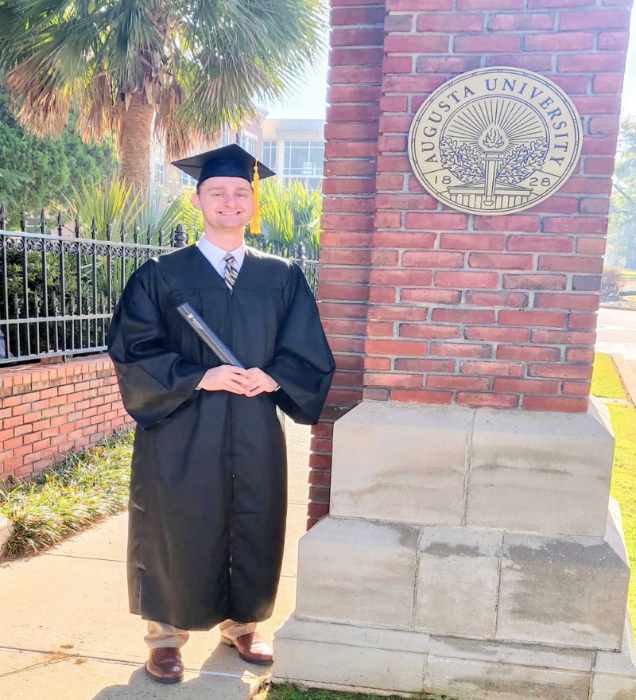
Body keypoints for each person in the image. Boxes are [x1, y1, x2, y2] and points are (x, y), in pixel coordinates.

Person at [106, 144, 335, 684]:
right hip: (183, 426)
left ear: (253, 203)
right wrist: (197, 376)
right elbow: (132, 347)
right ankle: (164, 637)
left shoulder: (282, 276)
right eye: (218, 193)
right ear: (199, 199)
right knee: (176, 522)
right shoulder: (161, 274)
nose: (229, 202)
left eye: (240, 193)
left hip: (254, 425)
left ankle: (244, 623)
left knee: (254, 518)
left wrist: (275, 376)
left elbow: (307, 349)